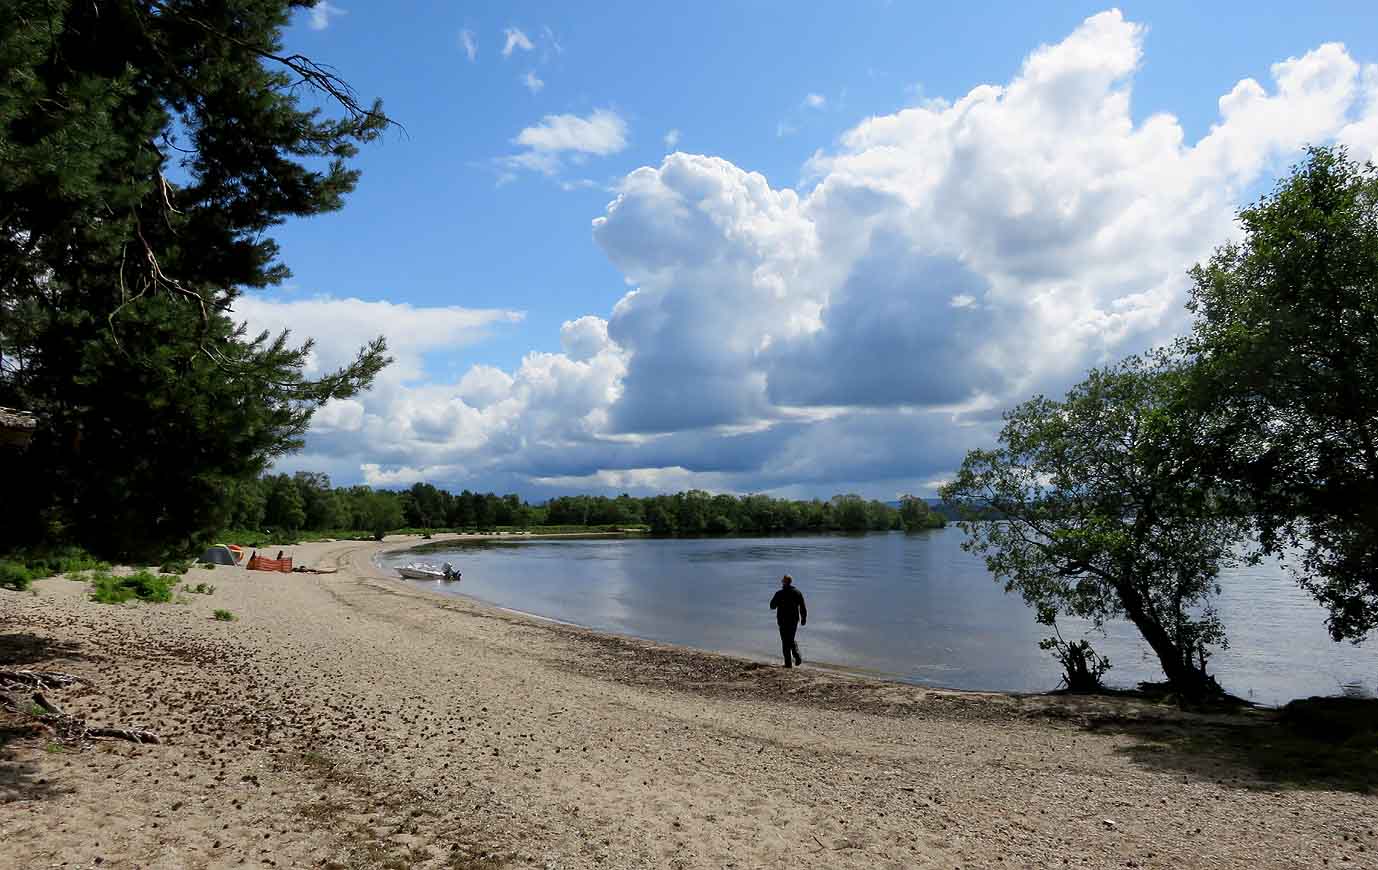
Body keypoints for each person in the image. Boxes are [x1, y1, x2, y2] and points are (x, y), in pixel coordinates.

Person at [769, 574, 807, 668]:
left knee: (785, 641)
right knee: (790, 639)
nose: (782, 582)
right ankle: (796, 654)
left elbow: (772, 606)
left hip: (782, 620)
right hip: (794, 620)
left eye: (783, 580)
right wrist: (803, 618)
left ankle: (789, 662)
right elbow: (802, 607)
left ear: (784, 582)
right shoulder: (797, 592)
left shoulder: (779, 593)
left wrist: (777, 603)